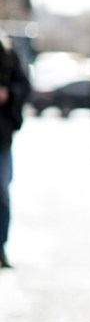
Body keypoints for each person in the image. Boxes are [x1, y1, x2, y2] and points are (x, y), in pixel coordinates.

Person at [0, 32, 30, 269]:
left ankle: (0, 247)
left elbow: (24, 86)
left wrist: (8, 94)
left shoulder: (7, 53)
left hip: (1, 138)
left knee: (1, 194)